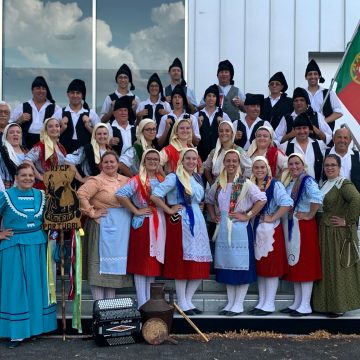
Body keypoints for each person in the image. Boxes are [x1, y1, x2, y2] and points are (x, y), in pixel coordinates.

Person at [0, 163, 57, 348]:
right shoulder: (6, 196)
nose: (27, 178)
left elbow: (55, 216)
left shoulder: (41, 195)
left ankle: (33, 329)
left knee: (35, 287)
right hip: (14, 245)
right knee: (16, 288)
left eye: (30, 175)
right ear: (16, 177)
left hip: (38, 245)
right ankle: (16, 332)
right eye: (23, 175)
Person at [150, 148, 212, 315]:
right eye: (188, 158)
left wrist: (198, 206)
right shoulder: (173, 177)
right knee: (182, 262)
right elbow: (155, 195)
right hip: (181, 222)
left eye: (194, 158)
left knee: (200, 261)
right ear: (182, 161)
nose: (191, 161)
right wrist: (169, 210)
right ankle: (182, 302)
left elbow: (199, 199)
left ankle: (188, 300)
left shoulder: (197, 178)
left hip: (197, 221)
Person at [205, 150, 266, 316]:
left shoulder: (245, 183)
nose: (231, 164)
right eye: (228, 161)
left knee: (241, 266)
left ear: (239, 164)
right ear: (223, 163)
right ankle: (230, 303)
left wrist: (247, 215)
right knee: (227, 266)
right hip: (224, 227)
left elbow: (261, 199)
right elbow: (209, 200)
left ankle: (238, 304)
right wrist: (212, 215)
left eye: (234, 161)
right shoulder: (219, 183)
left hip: (240, 228)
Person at [77, 150, 132, 300]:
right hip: (102, 225)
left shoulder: (125, 180)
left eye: (112, 161)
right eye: (106, 162)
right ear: (101, 165)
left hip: (121, 228)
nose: (109, 164)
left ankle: (110, 307)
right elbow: (81, 194)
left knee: (113, 269)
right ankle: (99, 306)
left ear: (117, 164)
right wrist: (91, 212)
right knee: (100, 267)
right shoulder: (96, 180)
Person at [117, 149, 166, 308]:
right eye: (149, 159)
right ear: (144, 161)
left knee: (152, 262)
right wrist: (136, 210)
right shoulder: (137, 180)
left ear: (159, 163)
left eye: (155, 159)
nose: (152, 161)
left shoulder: (162, 180)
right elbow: (121, 194)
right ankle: (142, 300)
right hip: (143, 223)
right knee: (141, 262)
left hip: (158, 221)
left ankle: (149, 301)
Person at [312, 154, 360, 317]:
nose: (330, 168)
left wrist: (348, 220)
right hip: (325, 231)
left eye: (333, 165)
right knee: (327, 268)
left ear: (339, 167)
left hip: (337, 233)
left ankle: (339, 305)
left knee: (337, 268)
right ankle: (325, 304)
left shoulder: (343, 183)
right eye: (327, 165)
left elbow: (357, 199)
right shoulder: (325, 183)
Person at [280, 153, 323, 316]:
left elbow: (317, 197)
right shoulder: (291, 182)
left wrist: (310, 214)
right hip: (293, 225)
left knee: (304, 264)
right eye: (291, 164)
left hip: (304, 226)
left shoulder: (307, 181)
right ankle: (297, 302)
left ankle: (305, 304)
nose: (294, 167)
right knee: (295, 263)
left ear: (303, 165)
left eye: (297, 163)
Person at [250, 156, 293, 315]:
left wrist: (273, 217)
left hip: (270, 231)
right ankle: (262, 301)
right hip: (256, 229)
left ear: (267, 169)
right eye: (256, 167)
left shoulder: (274, 184)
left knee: (271, 267)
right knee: (261, 267)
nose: (260, 170)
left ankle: (269, 303)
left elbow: (287, 203)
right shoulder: (251, 184)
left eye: (262, 167)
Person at [10, 76, 62, 149]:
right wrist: (19, 120)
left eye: (43, 88)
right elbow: (9, 126)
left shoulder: (55, 108)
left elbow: (61, 127)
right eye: (38, 88)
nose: (41, 91)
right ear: (32, 90)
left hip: (47, 144)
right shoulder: (22, 106)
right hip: (25, 144)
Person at [280, 113, 327, 182]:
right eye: (298, 128)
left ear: (309, 129)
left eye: (304, 128)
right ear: (294, 129)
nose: (302, 131)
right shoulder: (285, 146)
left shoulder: (320, 145)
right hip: (293, 189)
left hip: (316, 188)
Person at [204, 119, 252, 185]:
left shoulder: (239, 150)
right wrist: (211, 183)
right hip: (217, 188)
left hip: (234, 189)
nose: (224, 133)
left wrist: (240, 184)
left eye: (227, 131)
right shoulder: (215, 152)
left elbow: (249, 168)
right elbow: (206, 168)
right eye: (221, 131)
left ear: (232, 133)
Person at [24, 117, 67, 189]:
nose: (54, 128)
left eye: (57, 126)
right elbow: (27, 161)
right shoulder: (40, 146)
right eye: (50, 126)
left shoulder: (61, 147)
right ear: (45, 130)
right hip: (44, 186)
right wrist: (40, 176)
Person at [59, 79, 100, 153]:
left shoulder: (91, 113)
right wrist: (62, 128)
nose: (75, 95)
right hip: (63, 152)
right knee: (64, 165)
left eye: (78, 93)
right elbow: (48, 134)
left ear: (82, 95)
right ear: (68, 94)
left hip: (86, 152)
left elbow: (100, 134)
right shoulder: (60, 112)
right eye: (72, 93)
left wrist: (88, 127)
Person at [195, 84, 231, 161]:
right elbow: (192, 135)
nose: (211, 98)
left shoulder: (224, 115)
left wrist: (222, 125)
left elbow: (231, 135)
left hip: (218, 154)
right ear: (205, 98)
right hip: (201, 154)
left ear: (217, 98)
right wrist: (198, 125)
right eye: (209, 96)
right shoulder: (197, 115)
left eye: (214, 96)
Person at [305, 59, 343, 132]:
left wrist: (322, 122)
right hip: (306, 133)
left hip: (325, 133)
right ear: (306, 77)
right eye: (310, 74)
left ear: (319, 76)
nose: (313, 76)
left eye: (315, 74)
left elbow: (339, 113)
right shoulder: (302, 93)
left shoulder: (328, 93)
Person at [324, 127, 360, 192]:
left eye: (345, 138)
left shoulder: (357, 156)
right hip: (330, 197)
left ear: (350, 140)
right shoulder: (324, 154)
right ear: (334, 139)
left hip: (353, 197)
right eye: (339, 137)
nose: (342, 140)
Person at [0, 123, 27, 188]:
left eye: (18, 132)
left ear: (21, 136)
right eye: (11, 132)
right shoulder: (2, 152)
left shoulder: (26, 152)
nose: (15, 134)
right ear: (6, 136)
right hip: (7, 187)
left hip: (25, 186)